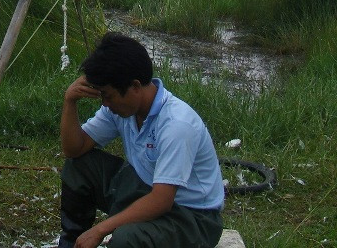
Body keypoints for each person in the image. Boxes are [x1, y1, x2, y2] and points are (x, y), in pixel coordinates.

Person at [59, 32, 224, 248]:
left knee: (126, 240)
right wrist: (70, 101)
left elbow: (161, 201)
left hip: (192, 216)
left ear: (135, 86)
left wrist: (100, 229)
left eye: (108, 95)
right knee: (80, 166)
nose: (105, 103)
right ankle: (72, 244)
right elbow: (74, 149)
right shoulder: (120, 109)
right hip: (144, 188)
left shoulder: (176, 124)